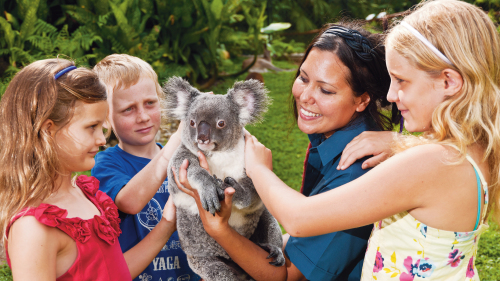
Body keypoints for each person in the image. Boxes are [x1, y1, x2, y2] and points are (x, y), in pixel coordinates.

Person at [240, 0, 499, 280]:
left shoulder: (431, 163)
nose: (390, 95)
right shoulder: (474, 151)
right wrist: (399, 142)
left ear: (448, 82)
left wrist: (258, 169)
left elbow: (299, 219)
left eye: (401, 80)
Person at [173, 22, 400, 280]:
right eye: (303, 78)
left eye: (325, 90)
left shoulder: (356, 168)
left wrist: (221, 228)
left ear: (362, 100)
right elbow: (309, 240)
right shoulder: (334, 137)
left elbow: (286, 274)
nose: (305, 96)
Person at [0, 58, 178, 280]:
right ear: (48, 131)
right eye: (91, 127)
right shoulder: (33, 227)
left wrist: (167, 224)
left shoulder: (90, 197)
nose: (102, 140)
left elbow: (115, 274)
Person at [91, 54, 200, 281]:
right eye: (128, 109)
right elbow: (129, 202)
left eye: (150, 103)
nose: (142, 117)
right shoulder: (106, 164)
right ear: (104, 117)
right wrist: (177, 140)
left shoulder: (188, 160)